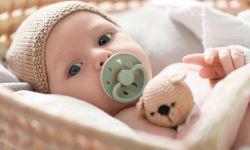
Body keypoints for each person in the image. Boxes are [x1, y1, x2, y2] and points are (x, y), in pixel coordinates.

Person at [5, 1, 249, 148]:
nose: (101, 57)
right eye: (74, 69)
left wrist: (233, 57)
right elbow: (196, 143)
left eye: (103, 39)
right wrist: (236, 83)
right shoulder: (129, 124)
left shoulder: (177, 69)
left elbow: (236, 63)